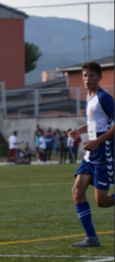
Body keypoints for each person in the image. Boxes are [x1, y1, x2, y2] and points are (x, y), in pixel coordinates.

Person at [68, 61, 114, 248]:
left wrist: (97, 141)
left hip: (103, 153)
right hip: (90, 155)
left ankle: (92, 238)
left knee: (101, 202)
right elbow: (96, 123)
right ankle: (91, 238)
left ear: (100, 77)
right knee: (77, 191)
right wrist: (80, 130)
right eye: (85, 75)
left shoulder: (104, 98)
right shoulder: (89, 97)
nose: (88, 79)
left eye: (92, 75)